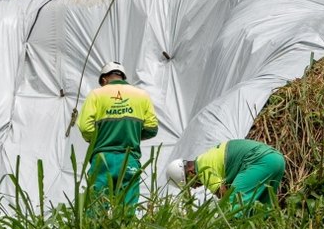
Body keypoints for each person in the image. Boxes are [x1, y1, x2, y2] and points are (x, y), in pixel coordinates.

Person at [77, 62, 159, 206]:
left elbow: (85, 127)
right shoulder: (141, 95)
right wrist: (130, 134)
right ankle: (125, 228)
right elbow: (152, 128)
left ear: (104, 80)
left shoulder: (96, 94)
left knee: (96, 206)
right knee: (127, 208)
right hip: (129, 158)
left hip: (102, 158)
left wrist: (100, 138)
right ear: (122, 77)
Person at [165, 139, 285, 213]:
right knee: (261, 211)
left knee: (232, 209)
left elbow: (225, 197)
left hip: (260, 161)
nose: (195, 188)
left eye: (190, 184)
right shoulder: (206, 158)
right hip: (276, 159)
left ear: (190, 173)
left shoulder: (202, 169)